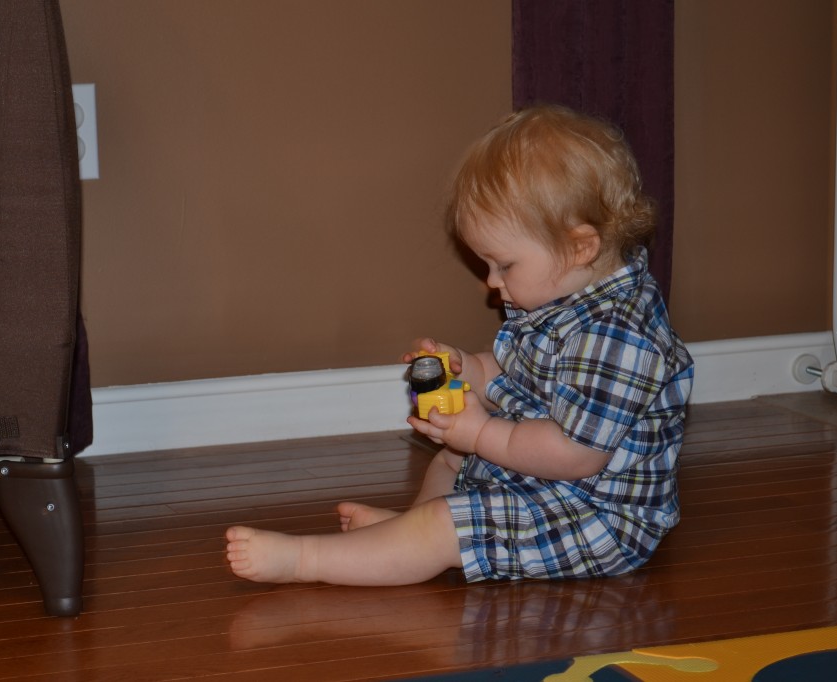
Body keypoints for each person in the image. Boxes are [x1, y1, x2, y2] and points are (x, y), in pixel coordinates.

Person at [225, 104, 694, 586]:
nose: (492, 282)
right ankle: (409, 535)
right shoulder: (565, 295)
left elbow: (575, 454)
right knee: (453, 459)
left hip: (595, 517)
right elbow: (518, 379)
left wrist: (480, 434)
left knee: (457, 480)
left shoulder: (619, 336)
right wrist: (467, 367)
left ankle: (309, 559)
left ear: (580, 247)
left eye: (504, 265)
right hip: (549, 481)